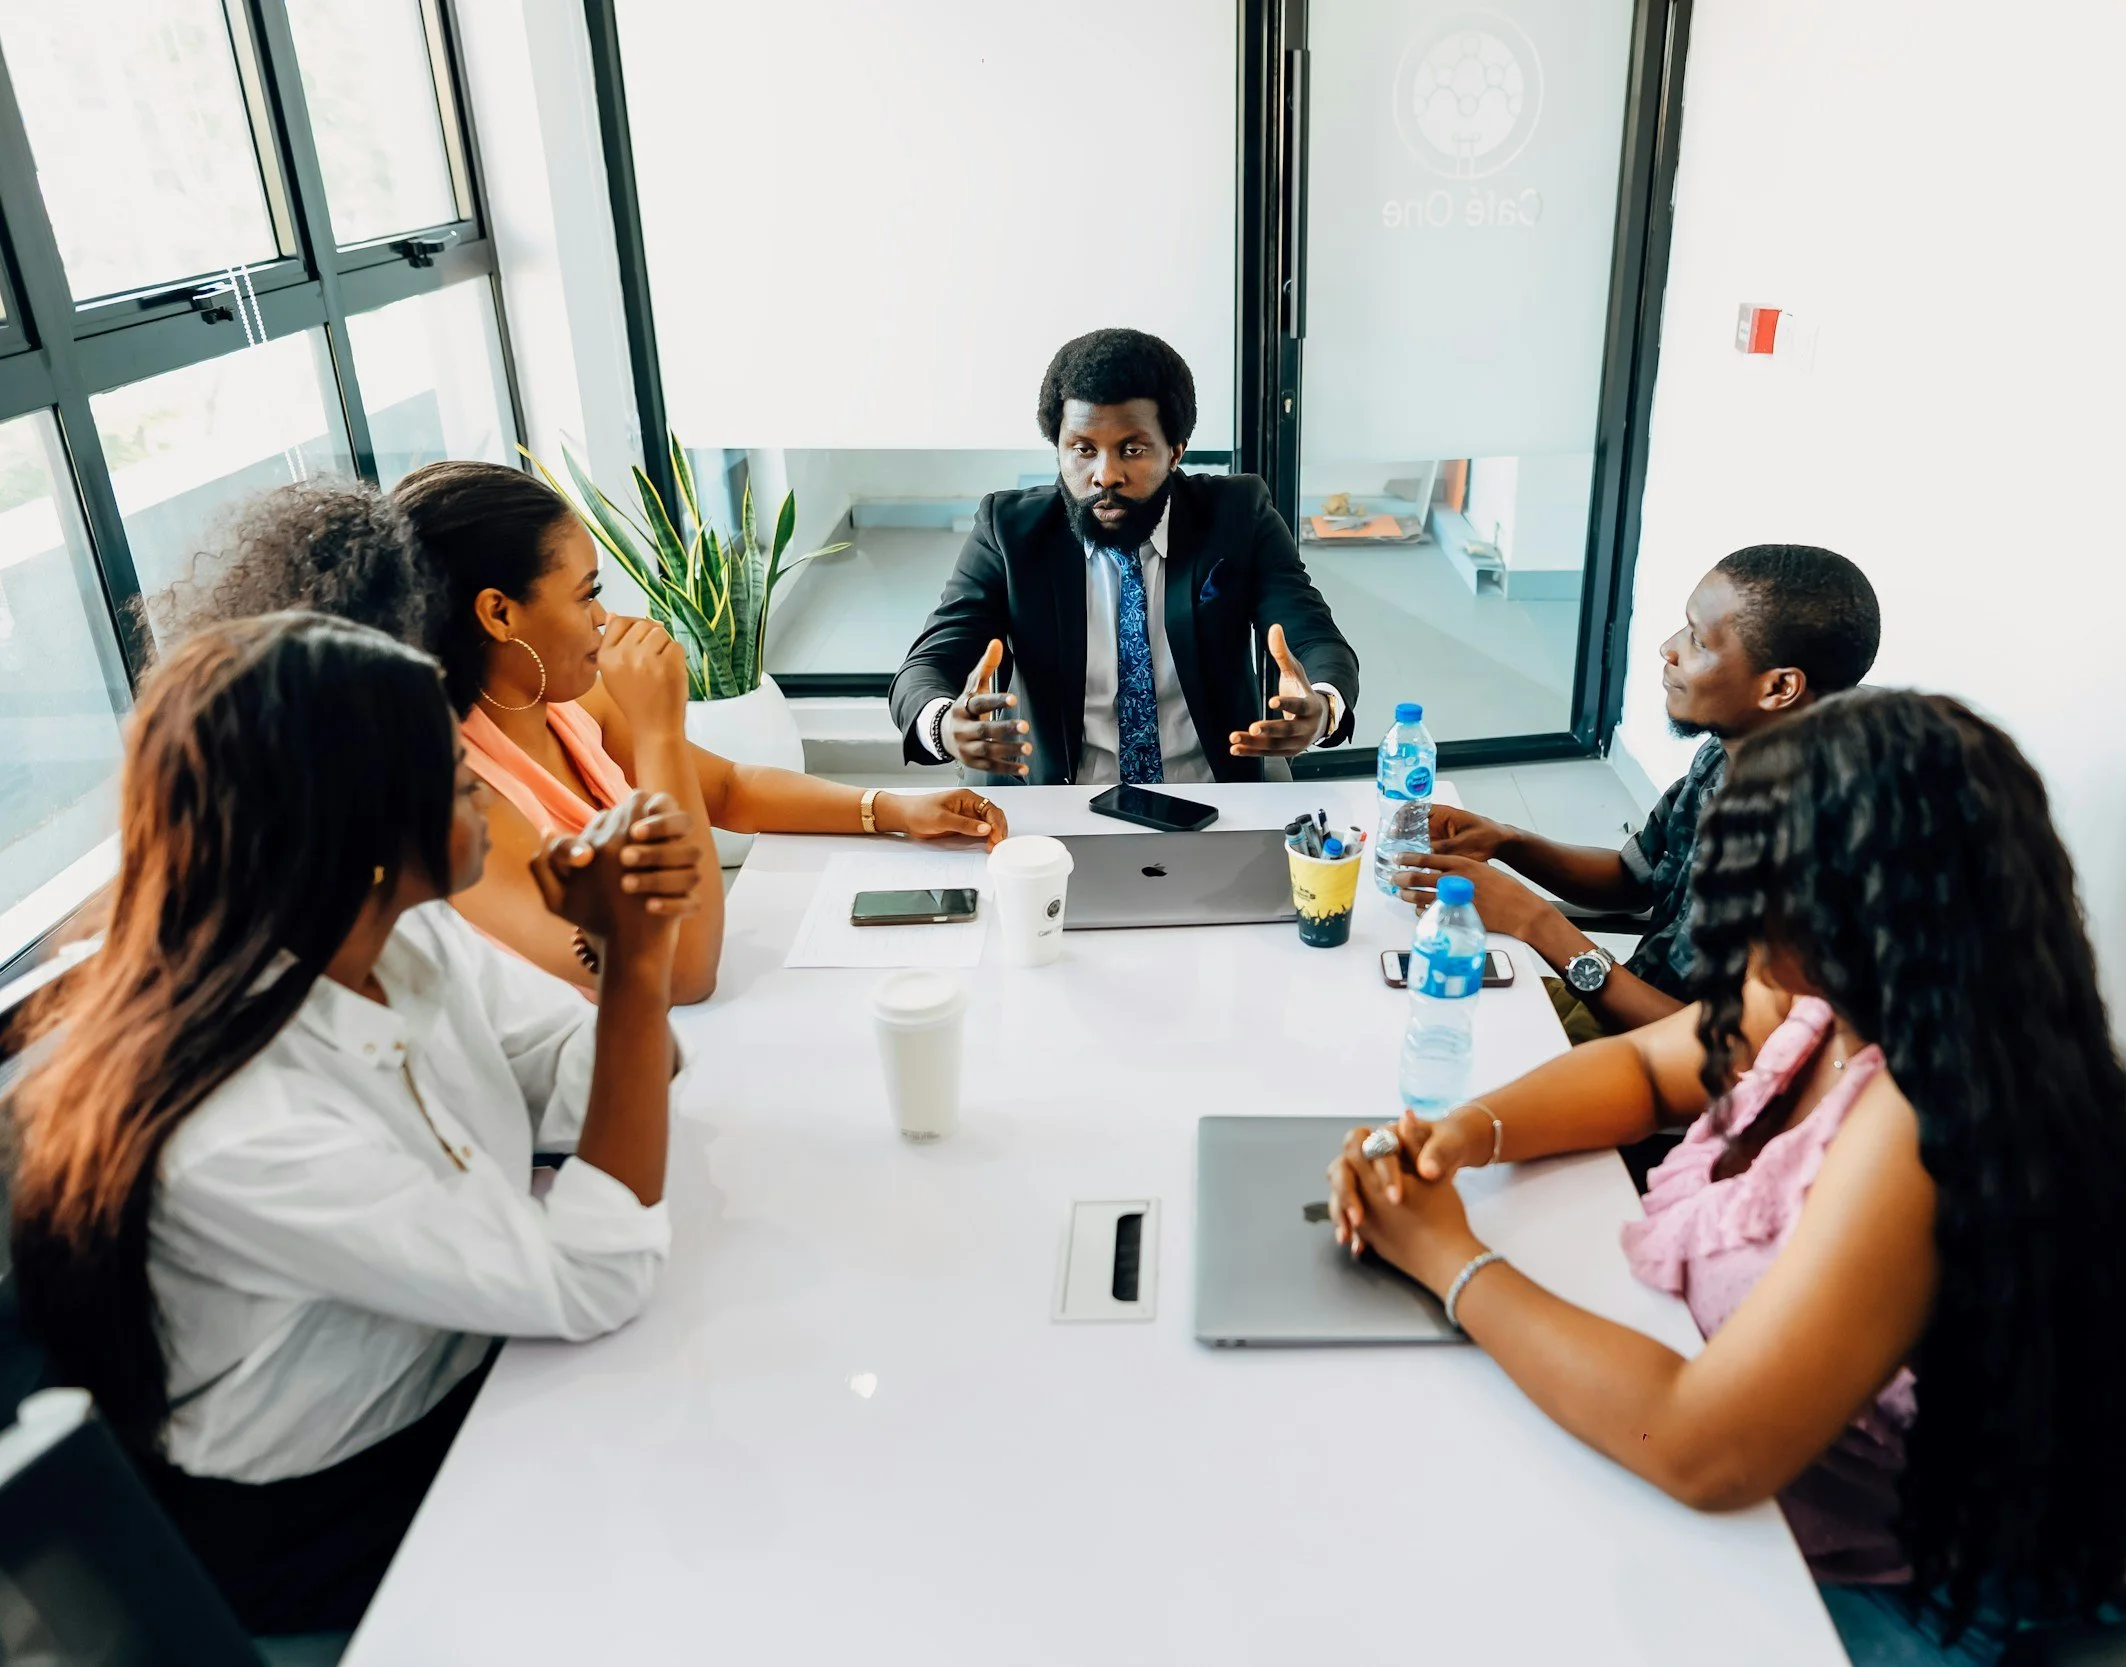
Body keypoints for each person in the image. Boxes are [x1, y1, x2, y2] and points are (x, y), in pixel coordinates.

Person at [1330, 690, 2126, 1666]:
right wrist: (1471, 1128)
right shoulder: (1837, 994)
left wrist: (1451, 1258)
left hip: (1905, 1595)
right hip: (1769, 1493)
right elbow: (1652, 1066)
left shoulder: (1922, 1120)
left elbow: (1706, 1447)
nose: (1728, 911)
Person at [6, 613, 703, 1634]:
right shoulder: (239, 1128)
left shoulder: (405, 935)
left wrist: (619, 955)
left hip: (478, 1377)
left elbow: (614, 1070)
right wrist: (635, 964)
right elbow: (593, 1275)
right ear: (358, 819)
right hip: (337, 1512)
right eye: (449, 763)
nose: (474, 772)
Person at [386, 463, 1005, 1002]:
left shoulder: (570, 704)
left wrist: (897, 808)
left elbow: (730, 789)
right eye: (586, 595)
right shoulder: (453, 798)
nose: (603, 616)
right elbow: (681, 974)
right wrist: (657, 730)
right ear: (499, 613)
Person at [1399, 544, 1879, 1039]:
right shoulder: (1730, 752)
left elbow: (1723, 1057)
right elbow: (1634, 879)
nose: (1668, 649)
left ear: (1779, 688)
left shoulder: (1821, 844)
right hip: (1621, 1008)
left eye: (1697, 640)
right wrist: (1509, 842)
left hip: (1669, 1074)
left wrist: (1535, 924)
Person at [889, 328, 1360, 785]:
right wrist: (943, 726)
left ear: (1175, 451)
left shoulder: (1238, 515)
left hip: (1213, 788)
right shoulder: (1008, 530)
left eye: (1131, 450)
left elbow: (1315, 637)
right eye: (1083, 450)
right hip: (1058, 797)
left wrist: (1322, 707)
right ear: (1059, 447)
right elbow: (928, 664)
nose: (1105, 475)